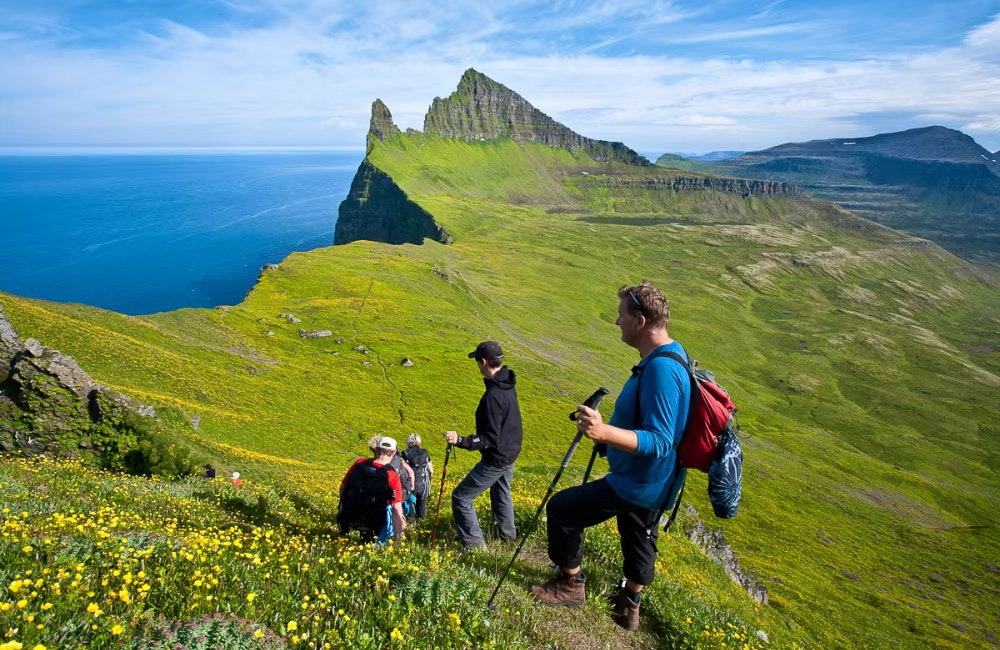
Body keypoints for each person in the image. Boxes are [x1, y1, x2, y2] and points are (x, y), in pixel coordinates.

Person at [530, 282, 691, 631]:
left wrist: (604, 433)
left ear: (642, 320)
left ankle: (570, 584)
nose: (617, 322)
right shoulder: (672, 355)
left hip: (636, 482)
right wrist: (611, 441)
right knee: (640, 536)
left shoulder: (661, 370)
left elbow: (660, 440)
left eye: (621, 316)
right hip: (658, 481)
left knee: (563, 511)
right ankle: (629, 605)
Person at [445, 341, 523, 549]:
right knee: (501, 490)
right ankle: (507, 536)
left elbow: (489, 438)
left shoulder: (493, 396)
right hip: (511, 451)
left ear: (484, 362)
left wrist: (461, 440)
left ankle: (475, 548)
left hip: (497, 457)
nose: (477, 365)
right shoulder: (507, 385)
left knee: (461, 498)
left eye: (477, 361)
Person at [339, 436, 407, 543]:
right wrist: (397, 539)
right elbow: (396, 509)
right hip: (375, 519)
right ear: (394, 453)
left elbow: (343, 487)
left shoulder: (359, 463)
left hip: (352, 514)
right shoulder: (392, 475)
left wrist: (344, 508)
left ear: (377, 449)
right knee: (390, 509)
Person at [369, 434, 417, 519]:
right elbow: (410, 472)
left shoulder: (367, 464)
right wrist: (412, 486)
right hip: (404, 492)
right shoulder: (398, 459)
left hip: (390, 500)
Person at [400, 434, 434, 520]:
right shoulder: (425, 452)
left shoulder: (405, 453)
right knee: (421, 507)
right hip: (423, 484)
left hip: (410, 484)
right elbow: (431, 470)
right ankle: (421, 522)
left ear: (408, 442)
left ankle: (410, 523)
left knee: (410, 505)